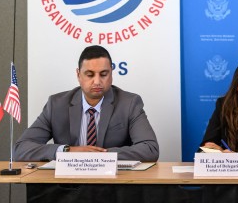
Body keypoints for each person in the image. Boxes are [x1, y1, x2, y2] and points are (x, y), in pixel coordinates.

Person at [13, 45, 159, 162]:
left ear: (111, 74)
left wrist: (99, 156)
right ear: (78, 75)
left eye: (103, 74)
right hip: (68, 187)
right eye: (89, 75)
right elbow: (20, 149)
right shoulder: (56, 105)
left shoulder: (129, 103)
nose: (97, 81)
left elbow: (150, 149)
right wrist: (68, 151)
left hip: (113, 186)